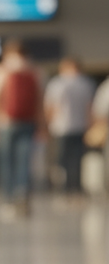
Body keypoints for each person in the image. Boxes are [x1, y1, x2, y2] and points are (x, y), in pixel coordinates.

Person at [0, 41, 44, 222]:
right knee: (24, 163)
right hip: (28, 123)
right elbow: (40, 102)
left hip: (5, 124)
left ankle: (8, 201)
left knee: (6, 163)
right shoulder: (35, 71)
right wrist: (42, 126)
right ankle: (22, 197)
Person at [44, 58, 95, 197]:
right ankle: (76, 188)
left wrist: (45, 126)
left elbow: (50, 108)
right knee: (77, 160)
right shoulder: (86, 83)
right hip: (80, 127)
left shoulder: (56, 83)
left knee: (62, 159)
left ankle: (64, 189)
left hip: (60, 128)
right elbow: (90, 108)